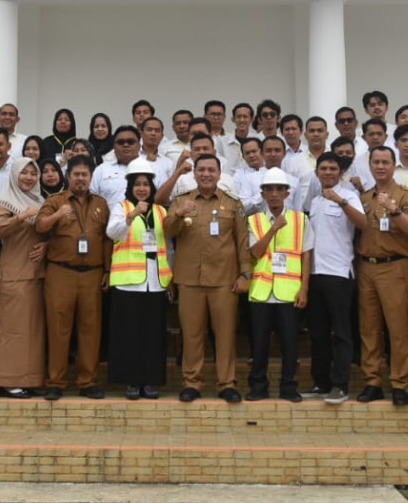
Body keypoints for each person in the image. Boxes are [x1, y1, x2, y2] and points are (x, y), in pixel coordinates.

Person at [166, 153, 250, 403]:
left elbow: (243, 241)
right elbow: (168, 231)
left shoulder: (233, 204)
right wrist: (179, 214)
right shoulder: (181, 201)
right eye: (201, 169)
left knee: (225, 335)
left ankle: (227, 383)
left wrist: (245, 274)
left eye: (211, 170)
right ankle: (192, 382)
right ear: (194, 173)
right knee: (191, 334)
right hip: (190, 278)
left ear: (219, 173)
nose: (205, 174)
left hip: (224, 280)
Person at [35, 155, 112, 400]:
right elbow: (40, 226)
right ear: (68, 176)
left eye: (85, 175)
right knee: (59, 329)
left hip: (92, 274)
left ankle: (87, 381)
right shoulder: (55, 201)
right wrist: (58, 215)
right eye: (76, 174)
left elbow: (108, 239)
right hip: (61, 273)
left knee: (90, 330)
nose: (80, 179)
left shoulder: (101, 204)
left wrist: (108, 271)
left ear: (91, 177)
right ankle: (56, 382)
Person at [355, 147, 408, 405]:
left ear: (394, 165)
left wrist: (394, 210)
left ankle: (399, 383)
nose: (380, 166)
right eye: (376, 162)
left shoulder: (406, 195)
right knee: (368, 328)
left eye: (385, 162)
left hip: (394, 266)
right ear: (370, 165)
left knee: (398, 328)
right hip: (367, 266)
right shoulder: (363, 197)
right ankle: (372, 381)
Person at [244, 167, 313, 402]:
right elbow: (255, 252)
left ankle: (288, 387)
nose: (274, 194)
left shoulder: (301, 219)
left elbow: (306, 255)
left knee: (290, 345)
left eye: (279, 189)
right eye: (269, 190)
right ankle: (258, 387)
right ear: (262, 194)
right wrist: (273, 229)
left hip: (289, 292)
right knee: (260, 345)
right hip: (261, 292)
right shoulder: (254, 220)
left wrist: (304, 288)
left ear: (287, 193)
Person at [105, 159, 171, 400]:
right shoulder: (120, 207)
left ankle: (150, 382)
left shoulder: (161, 211)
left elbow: (168, 247)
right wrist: (132, 215)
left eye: (146, 184)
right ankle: (132, 382)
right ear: (130, 187)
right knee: (129, 334)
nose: (142, 188)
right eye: (137, 184)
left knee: (153, 335)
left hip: (155, 282)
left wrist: (170, 279)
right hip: (127, 281)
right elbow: (112, 233)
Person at [304, 153, 364, 405]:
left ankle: (340, 384)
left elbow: (364, 223)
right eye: (323, 168)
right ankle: (321, 382)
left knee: (341, 332)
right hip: (315, 273)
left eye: (333, 168)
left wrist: (340, 201)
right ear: (317, 171)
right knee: (318, 332)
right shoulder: (315, 201)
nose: (328, 172)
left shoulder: (349, 196)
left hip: (339, 273)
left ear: (340, 172)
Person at [0, 158, 47, 398]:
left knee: (32, 331)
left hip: (35, 275)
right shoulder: (6, 201)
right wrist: (20, 217)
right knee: (12, 331)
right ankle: (8, 380)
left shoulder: (40, 201)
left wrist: (47, 245)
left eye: (34, 173)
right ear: (14, 175)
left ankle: (29, 378)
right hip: (13, 275)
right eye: (24, 173)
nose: (29, 177)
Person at [90, 125, 143, 204]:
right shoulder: (101, 170)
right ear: (114, 147)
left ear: (139, 146)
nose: (125, 145)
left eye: (130, 142)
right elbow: (90, 199)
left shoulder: (151, 168)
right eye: (120, 142)